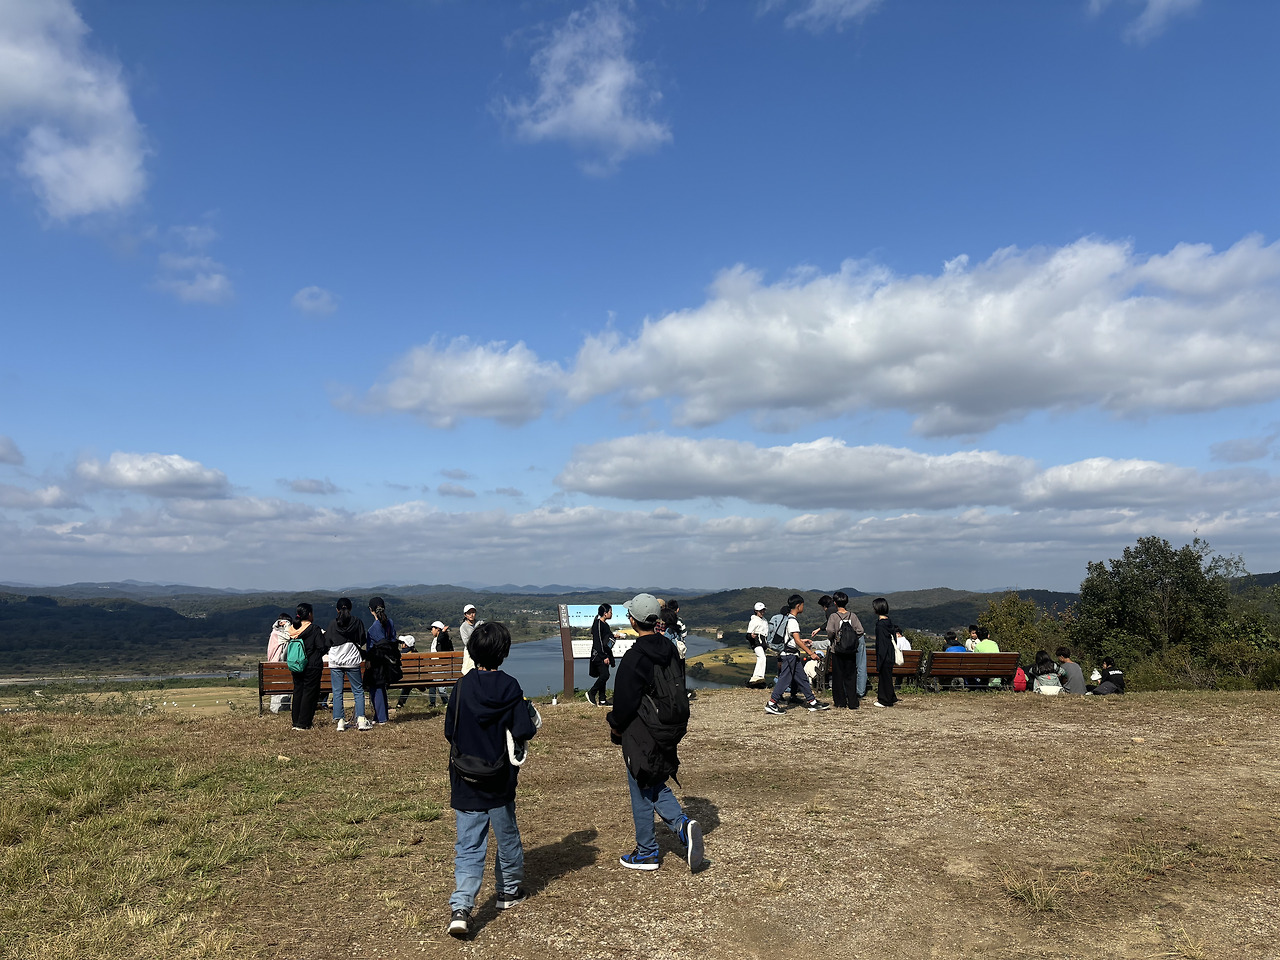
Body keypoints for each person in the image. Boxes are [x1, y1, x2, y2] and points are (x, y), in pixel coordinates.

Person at [444, 622, 539, 938]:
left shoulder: (461, 687)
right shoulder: (510, 687)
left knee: (469, 845)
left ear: (473, 651)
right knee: (507, 837)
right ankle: (508, 891)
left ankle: (461, 908)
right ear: (504, 652)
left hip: (465, 778)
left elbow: (449, 731)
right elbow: (523, 730)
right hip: (499, 779)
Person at [605, 593, 704, 873]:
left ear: (634, 621)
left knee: (640, 783)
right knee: (654, 777)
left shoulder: (635, 657)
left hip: (642, 729)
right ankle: (683, 827)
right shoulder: (669, 647)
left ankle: (647, 852)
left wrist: (615, 726)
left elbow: (624, 703)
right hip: (668, 726)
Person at [764, 595, 830, 715]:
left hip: (791, 654)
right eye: (802, 605)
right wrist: (811, 653)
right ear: (798, 605)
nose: (803, 607)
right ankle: (772, 703)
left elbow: (792, 639)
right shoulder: (793, 621)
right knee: (785, 679)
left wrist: (801, 641)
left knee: (802, 678)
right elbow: (797, 641)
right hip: (790, 655)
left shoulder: (788, 618)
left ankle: (812, 702)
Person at [327, 597, 371, 731]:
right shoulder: (357, 622)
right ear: (350, 608)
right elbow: (362, 639)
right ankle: (361, 719)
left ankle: (340, 721)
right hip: (352, 660)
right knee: (358, 690)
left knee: (337, 691)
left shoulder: (333, 624)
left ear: (337, 609)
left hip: (336, 661)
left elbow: (327, 642)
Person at [287, 602, 326, 730]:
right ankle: (304, 722)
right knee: (309, 693)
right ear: (309, 614)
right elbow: (321, 647)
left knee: (298, 691)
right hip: (312, 665)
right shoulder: (314, 629)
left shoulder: (293, 630)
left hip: (296, 665)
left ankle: (296, 721)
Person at [365, 596, 401, 724]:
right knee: (381, 687)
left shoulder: (373, 628)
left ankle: (381, 717)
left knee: (376, 688)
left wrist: (368, 660)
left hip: (377, 661)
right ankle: (380, 715)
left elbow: (373, 647)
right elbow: (392, 639)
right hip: (388, 660)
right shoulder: (390, 622)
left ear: (371, 610)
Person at [825, 591, 863, 709]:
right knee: (851, 676)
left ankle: (840, 702)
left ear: (835, 603)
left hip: (837, 650)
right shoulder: (853, 616)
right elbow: (860, 630)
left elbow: (830, 630)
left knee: (838, 676)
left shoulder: (834, 616)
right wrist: (853, 639)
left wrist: (833, 638)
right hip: (851, 650)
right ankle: (853, 702)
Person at [587, 603, 617, 707]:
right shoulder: (598, 624)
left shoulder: (605, 625)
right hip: (599, 655)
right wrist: (603, 656)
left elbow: (606, 639)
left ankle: (602, 700)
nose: (611, 614)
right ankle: (591, 692)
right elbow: (598, 642)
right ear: (605, 613)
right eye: (610, 612)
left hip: (605, 654)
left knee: (603, 675)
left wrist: (615, 636)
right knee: (605, 675)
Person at [871, 597, 899, 708]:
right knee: (887, 677)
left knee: (884, 678)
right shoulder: (889, 622)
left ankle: (885, 700)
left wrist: (879, 659)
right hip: (890, 653)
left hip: (884, 655)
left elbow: (881, 644)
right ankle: (891, 697)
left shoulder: (880, 625)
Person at [395, 635, 432, 710]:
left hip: (403, 679)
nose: (401, 644)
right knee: (409, 682)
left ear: (405, 645)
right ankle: (400, 703)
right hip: (416, 678)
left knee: (408, 683)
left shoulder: (401, 654)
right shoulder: (416, 653)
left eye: (402, 643)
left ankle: (400, 704)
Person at [266, 612, 293, 714]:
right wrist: (287, 624)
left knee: (279, 690)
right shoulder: (277, 634)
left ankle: (278, 710)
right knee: (282, 690)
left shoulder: (274, 633)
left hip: (275, 666)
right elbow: (289, 636)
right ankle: (279, 710)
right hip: (279, 666)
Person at [427, 621, 454, 707]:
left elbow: (441, 639)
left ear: (437, 629)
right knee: (433, 684)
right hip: (436, 666)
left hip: (440, 666)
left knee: (440, 686)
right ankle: (433, 703)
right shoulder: (436, 639)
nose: (431, 631)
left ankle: (446, 703)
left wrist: (442, 632)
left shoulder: (443, 639)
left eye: (432, 629)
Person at [746, 601, 769, 687]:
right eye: (760, 611)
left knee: (761, 658)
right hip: (756, 641)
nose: (762, 612)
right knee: (762, 657)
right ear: (756, 611)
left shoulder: (764, 620)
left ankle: (757, 677)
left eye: (763, 610)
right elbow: (748, 634)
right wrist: (751, 636)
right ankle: (758, 676)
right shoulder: (754, 621)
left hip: (762, 642)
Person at [459, 603, 481, 674]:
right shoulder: (463, 627)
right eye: (469, 613)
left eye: (473, 612)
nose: (471, 615)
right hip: (470, 650)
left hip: (481, 650)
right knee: (468, 670)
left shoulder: (480, 624)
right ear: (465, 615)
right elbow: (466, 642)